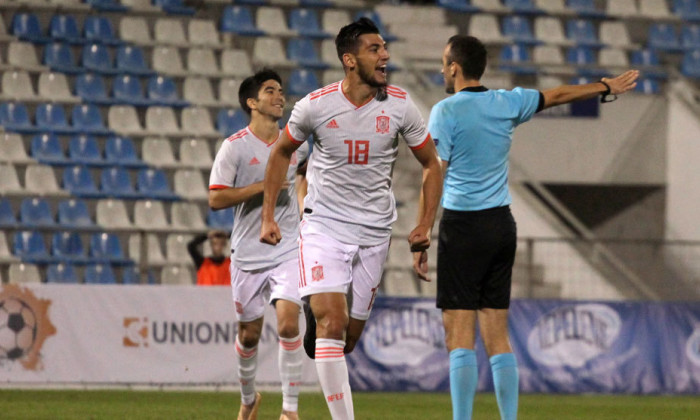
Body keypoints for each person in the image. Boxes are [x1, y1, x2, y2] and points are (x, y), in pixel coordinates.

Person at [422, 35, 639, 420]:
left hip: (464, 227)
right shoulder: (508, 101)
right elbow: (557, 95)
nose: (442, 69)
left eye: (444, 62)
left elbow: (436, 172)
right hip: (501, 226)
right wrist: (605, 86)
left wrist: (422, 230)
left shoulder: (445, 111)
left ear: (454, 67)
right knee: (497, 333)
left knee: (459, 334)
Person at [260, 18, 443, 420]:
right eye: (374, 49)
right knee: (333, 321)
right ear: (349, 59)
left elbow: (432, 164)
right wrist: (269, 216)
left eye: (384, 48)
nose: (385, 56)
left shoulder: (399, 105)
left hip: (375, 233)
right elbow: (280, 154)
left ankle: (322, 325)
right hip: (324, 225)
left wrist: (424, 225)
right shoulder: (315, 106)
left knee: (347, 340)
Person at [209, 69, 309, 420]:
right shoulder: (234, 147)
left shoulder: (297, 142)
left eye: (281, 91)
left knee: (287, 325)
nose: (279, 96)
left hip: (287, 248)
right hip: (249, 252)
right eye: (270, 91)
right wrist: (264, 186)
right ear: (252, 102)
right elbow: (216, 199)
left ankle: (290, 411)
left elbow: (305, 171)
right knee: (249, 336)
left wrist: (302, 199)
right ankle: (249, 399)